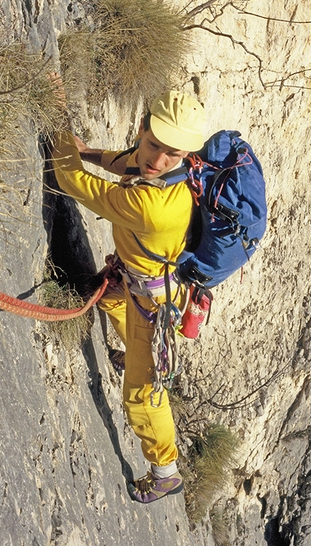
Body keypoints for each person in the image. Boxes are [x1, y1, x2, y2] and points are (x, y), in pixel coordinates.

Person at [52, 90, 206, 503]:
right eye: (153, 144)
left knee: (142, 395)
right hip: (146, 283)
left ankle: (166, 471)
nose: (156, 160)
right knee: (111, 299)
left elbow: (71, 181)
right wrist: (86, 151)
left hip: (154, 303)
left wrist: (57, 119)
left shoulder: (154, 206)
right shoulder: (170, 171)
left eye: (171, 154)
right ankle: (132, 350)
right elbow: (121, 160)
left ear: (187, 154)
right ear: (143, 127)